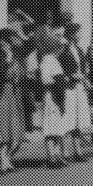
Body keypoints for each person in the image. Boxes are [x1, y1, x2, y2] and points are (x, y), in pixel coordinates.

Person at [0, 28, 25, 172]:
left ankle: (8, 158)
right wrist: (8, 60)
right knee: (3, 126)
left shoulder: (15, 54)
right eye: (8, 40)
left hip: (14, 93)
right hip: (1, 93)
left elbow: (27, 45)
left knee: (14, 126)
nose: (9, 43)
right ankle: (3, 160)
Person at [60, 22, 91, 162]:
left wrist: (85, 79)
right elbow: (59, 69)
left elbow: (82, 68)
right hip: (69, 88)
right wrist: (70, 76)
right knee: (68, 118)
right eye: (78, 33)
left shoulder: (78, 49)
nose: (80, 35)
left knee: (78, 119)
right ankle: (64, 152)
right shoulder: (63, 49)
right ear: (72, 34)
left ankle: (78, 151)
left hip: (79, 87)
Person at [39, 29, 68, 168]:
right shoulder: (47, 60)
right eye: (59, 47)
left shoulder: (54, 60)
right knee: (51, 128)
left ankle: (56, 155)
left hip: (57, 95)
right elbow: (45, 79)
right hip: (51, 96)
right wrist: (57, 81)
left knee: (57, 127)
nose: (61, 49)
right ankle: (51, 156)